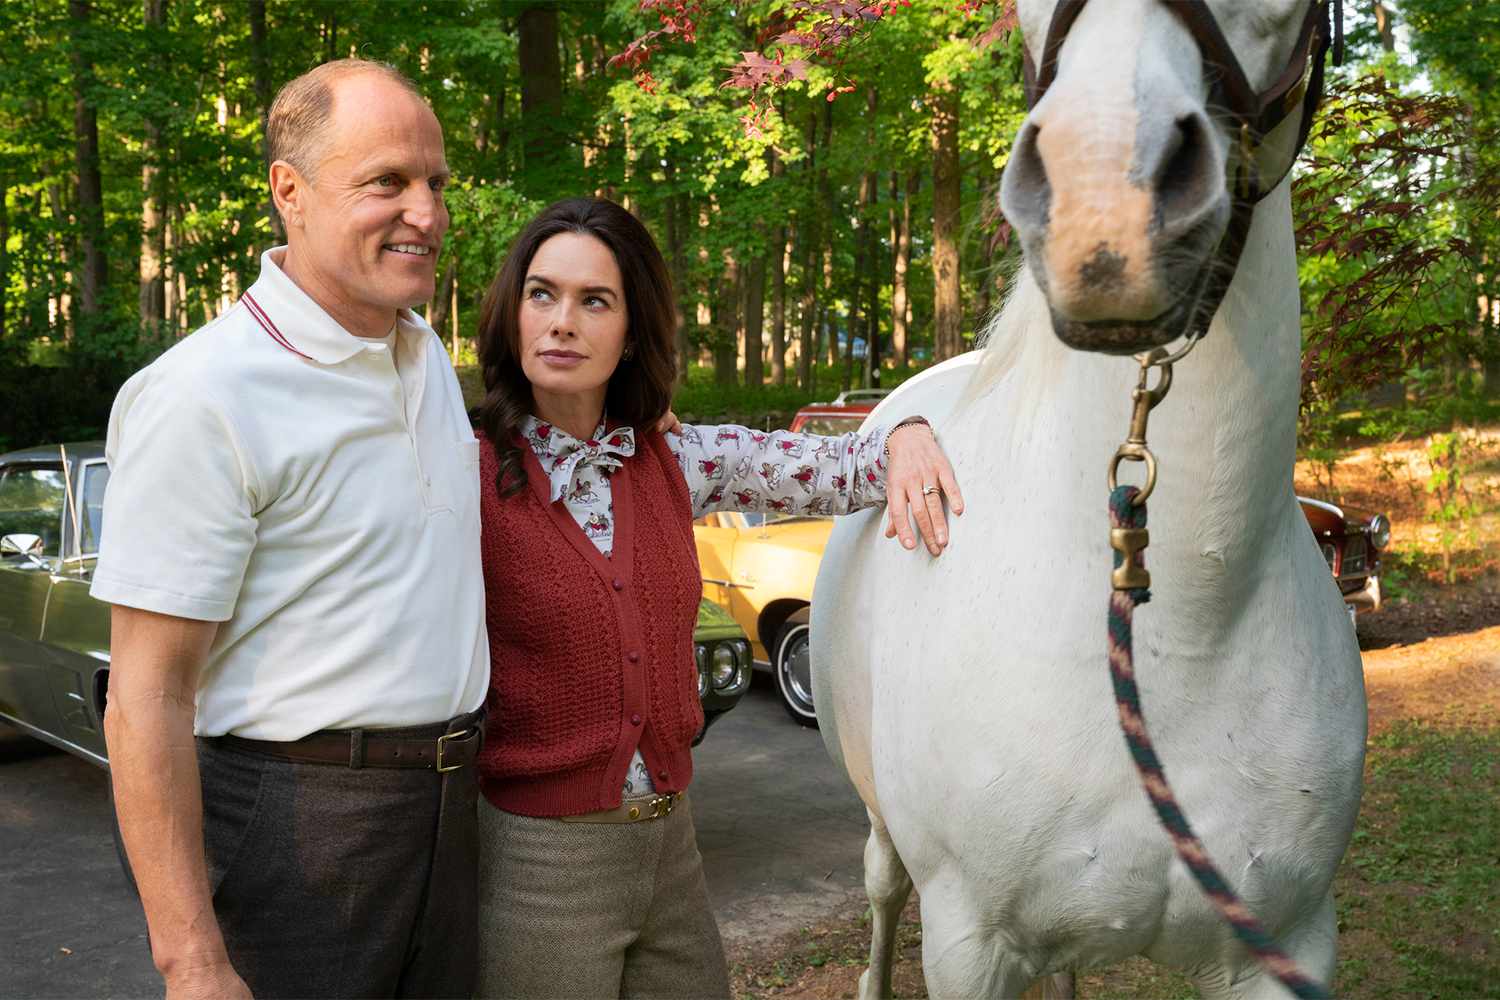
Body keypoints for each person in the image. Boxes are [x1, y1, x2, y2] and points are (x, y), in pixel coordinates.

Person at [471, 197, 964, 998]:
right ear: (511, 312)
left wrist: (907, 427)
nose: (562, 321)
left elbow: (841, 468)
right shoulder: (465, 474)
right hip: (538, 862)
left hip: (672, 848)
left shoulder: (681, 459)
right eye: (542, 294)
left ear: (631, 333)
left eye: (594, 300)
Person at [92, 59, 489, 999]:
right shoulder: (202, 397)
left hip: (453, 813)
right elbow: (144, 699)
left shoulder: (423, 350)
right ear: (290, 192)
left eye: (435, 181)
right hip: (296, 829)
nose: (425, 212)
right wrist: (191, 961)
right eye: (386, 181)